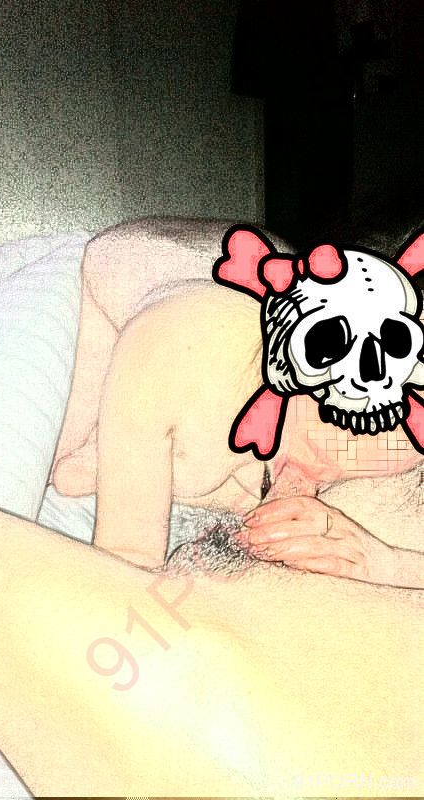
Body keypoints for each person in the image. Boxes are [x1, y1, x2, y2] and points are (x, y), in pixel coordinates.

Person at [0, 218, 422, 796]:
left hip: (195, 348)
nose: (324, 474)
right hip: (99, 299)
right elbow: (123, 560)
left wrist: (388, 561)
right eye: (330, 436)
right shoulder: (195, 344)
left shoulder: (364, 422)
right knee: (23, 484)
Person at [53, 218, 424, 585]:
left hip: (211, 331)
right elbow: (124, 567)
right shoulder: (187, 347)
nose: (329, 458)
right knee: (67, 470)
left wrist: (390, 564)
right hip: (90, 287)